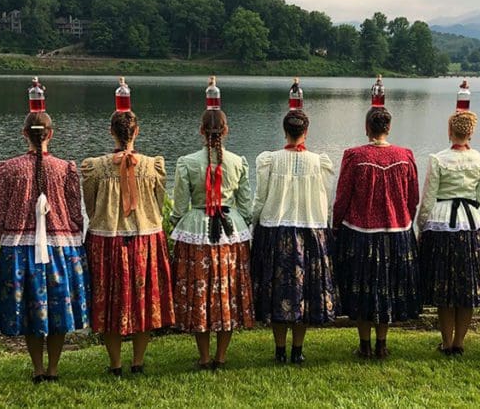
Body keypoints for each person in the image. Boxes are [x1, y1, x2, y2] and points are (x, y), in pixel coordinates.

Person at [0, 86, 89, 382]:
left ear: (25, 134)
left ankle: (37, 368)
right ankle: (53, 368)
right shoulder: (66, 168)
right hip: (61, 248)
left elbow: (3, 214)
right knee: (58, 309)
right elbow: (76, 214)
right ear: (51, 133)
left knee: (30, 312)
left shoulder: (7, 170)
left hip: (20, 249)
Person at [81, 80, 174, 376]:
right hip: (146, 238)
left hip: (107, 239)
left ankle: (116, 363)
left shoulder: (95, 167)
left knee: (109, 303)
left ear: (111, 131)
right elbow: (160, 203)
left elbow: (90, 206)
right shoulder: (152, 165)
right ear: (137, 132)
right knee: (142, 301)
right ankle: (137, 361)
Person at [171, 80, 253, 370]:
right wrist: (241, 220)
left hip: (196, 230)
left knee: (201, 292)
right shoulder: (238, 162)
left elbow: (179, 207)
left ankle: (204, 357)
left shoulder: (186, 162)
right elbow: (245, 205)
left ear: (201, 131)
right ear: (226, 130)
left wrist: (176, 222)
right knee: (226, 292)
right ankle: (221, 356)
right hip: (231, 229)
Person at [250, 107, 337, 365]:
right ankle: (297, 350)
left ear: (284, 131)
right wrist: (325, 226)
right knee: (305, 293)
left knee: (278, 292)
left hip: (275, 231)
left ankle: (280, 350)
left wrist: (253, 221)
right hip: (310, 230)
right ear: (306, 132)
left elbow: (260, 198)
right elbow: (326, 199)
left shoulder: (269, 160)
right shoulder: (319, 162)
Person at [333, 105, 421, 360]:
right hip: (397, 231)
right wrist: (408, 222)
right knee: (387, 288)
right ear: (388, 128)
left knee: (364, 289)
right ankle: (382, 343)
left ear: (367, 128)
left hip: (361, 233)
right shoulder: (405, 156)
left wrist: (336, 225)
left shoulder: (354, 156)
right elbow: (412, 197)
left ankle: (365, 345)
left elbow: (342, 198)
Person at [417, 109, 480, 356]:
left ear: (450, 131)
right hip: (471, 223)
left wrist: (422, 224)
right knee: (466, 286)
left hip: (443, 223)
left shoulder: (438, 159)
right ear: (471, 133)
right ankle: (459, 342)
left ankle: (446, 340)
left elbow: (429, 198)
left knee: (445, 286)